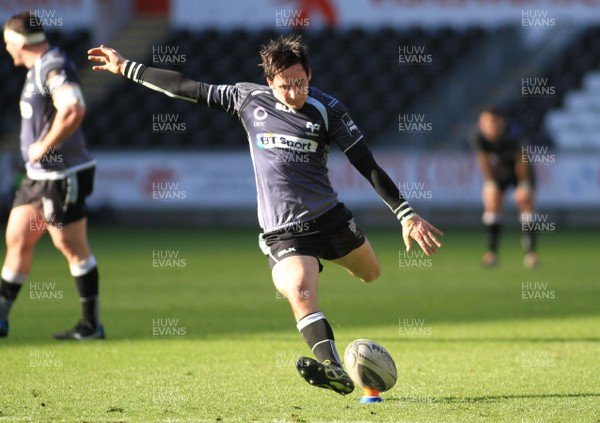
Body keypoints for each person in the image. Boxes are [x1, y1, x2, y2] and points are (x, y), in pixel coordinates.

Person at [88, 35, 442, 394]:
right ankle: (332, 367)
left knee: (371, 273)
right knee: (300, 289)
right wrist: (125, 67)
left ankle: (330, 317)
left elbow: (366, 164)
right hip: (283, 230)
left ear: (310, 74)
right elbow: (187, 87)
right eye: (286, 86)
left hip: (330, 217)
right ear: (270, 81)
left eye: (301, 82)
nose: (294, 92)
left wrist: (406, 214)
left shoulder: (328, 109)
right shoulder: (248, 98)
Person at [0, 12, 104, 339]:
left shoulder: (52, 64)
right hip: (37, 177)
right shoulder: (38, 68)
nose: (6, 49)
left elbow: (72, 107)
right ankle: (1, 319)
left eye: (6, 43)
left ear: (17, 43)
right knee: (17, 237)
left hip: (62, 175)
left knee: (70, 245)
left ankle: (90, 326)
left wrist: (44, 145)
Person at [469, 106, 538, 268]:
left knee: (525, 203)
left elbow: (523, 158)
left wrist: (524, 184)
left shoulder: (514, 133)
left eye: (492, 121)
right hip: (500, 169)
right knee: (492, 202)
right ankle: (491, 253)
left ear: (502, 122)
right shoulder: (476, 136)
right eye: (484, 122)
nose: (488, 125)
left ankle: (531, 253)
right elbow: (483, 159)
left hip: (521, 168)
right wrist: (491, 182)